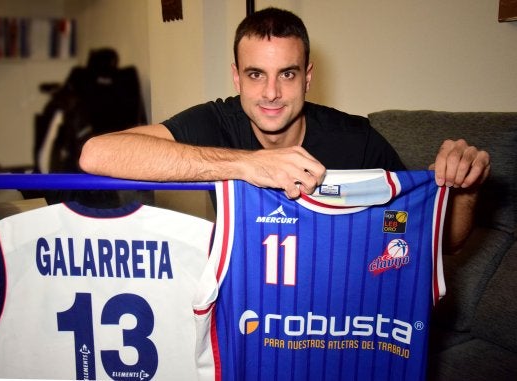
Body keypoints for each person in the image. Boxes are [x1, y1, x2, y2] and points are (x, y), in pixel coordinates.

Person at [79, 7, 490, 254]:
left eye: (287, 74)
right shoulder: (216, 122)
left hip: (332, 310)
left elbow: (434, 240)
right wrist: (248, 164)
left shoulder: (356, 139)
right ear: (236, 78)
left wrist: (465, 189)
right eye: (256, 74)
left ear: (307, 77)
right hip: (250, 308)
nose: (271, 93)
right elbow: (97, 153)